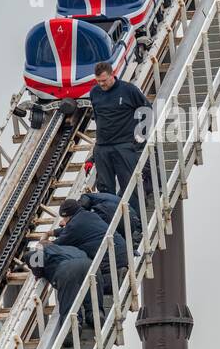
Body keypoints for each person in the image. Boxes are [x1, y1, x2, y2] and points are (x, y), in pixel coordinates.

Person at [88, 62, 152, 197]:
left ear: (113, 75)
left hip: (123, 146)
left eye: (104, 80)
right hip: (102, 148)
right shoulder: (94, 92)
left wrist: (141, 136)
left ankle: (136, 217)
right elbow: (99, 121)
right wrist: (93, 156)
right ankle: (109, 216)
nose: (101, 84)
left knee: (130, 186)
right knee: (104, 189)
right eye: (98, 81)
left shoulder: (129, 90)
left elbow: (147, 110)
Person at [53, 197, 127, 271]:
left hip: (110, 259)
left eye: (64, 218)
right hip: (123, 250)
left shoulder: (73, 227)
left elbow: (57, 244)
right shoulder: (89, 215)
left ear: (68, 216)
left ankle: (118, 273)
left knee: (87, 274)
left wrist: (45, 242)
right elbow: (75, 231)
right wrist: (55, 232)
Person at [28, 240, 91, 320]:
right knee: (93, 297)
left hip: (68, 269)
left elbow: (28, 256)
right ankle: (96, 315)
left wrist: (38, 273)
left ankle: (74, 323)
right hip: (89, 264)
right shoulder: (70, 248)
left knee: (68, 301)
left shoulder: (44, 250)